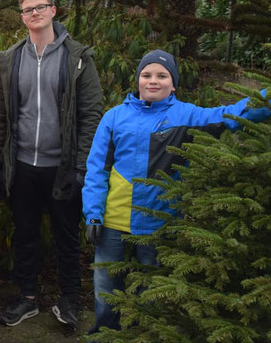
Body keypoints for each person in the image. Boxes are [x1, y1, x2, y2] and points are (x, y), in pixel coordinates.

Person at [83, 49, 271, 334]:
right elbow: (96, 169)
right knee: (106, 287)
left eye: (162, 75)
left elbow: (234, 114)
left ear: (174, 84)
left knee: (152, 289)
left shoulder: (187, 115)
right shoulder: (114, 117)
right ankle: (104, 334)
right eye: (146, 75)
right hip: (112, 221)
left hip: (159, 223)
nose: (152, 81)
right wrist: (93, 215)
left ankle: (145, 335)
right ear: (137, 80)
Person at [0, 0, 103, 331]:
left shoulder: (78, 58)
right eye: (27, 9)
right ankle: (26, 298)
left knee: (66, 236)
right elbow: (0, 115)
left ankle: (69, 300)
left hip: (62, 166)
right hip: (23, 164)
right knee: (25, 233)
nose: (34, 13)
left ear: (54, 10)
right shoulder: (11, 59)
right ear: (21, 17)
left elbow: (91, 115)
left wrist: (81, 167)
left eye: (40, 7)